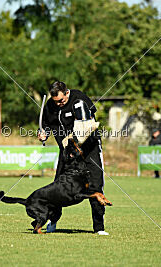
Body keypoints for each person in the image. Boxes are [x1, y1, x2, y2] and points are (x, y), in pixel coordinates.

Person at [38, 81, 108, 235]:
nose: (59, 104)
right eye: (56, 101)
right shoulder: (50, 106)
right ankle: (52, 220)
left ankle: (99, 228)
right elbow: (45, 125)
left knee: (96, 186)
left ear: (67, 93)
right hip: (67, 153)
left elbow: (88, 121)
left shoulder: (79, 98)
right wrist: (43, 133)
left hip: (90, 150)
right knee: (57, 188)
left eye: (61, 101)